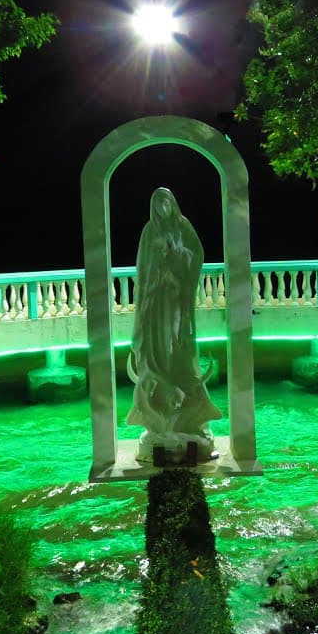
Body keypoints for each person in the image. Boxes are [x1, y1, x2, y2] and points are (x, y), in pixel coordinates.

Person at [127, 187, 220, 462]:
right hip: (156, 303)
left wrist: (178, 254)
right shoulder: (149, 231)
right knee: (158, 349)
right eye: (158, 202)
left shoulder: (183, 227)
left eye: (166, 201)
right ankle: (157, 408)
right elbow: (143, 268)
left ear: (173, 203)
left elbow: (196, 257)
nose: (163, 207)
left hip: (177, 299)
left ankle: (190, 408)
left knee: (179, 347)